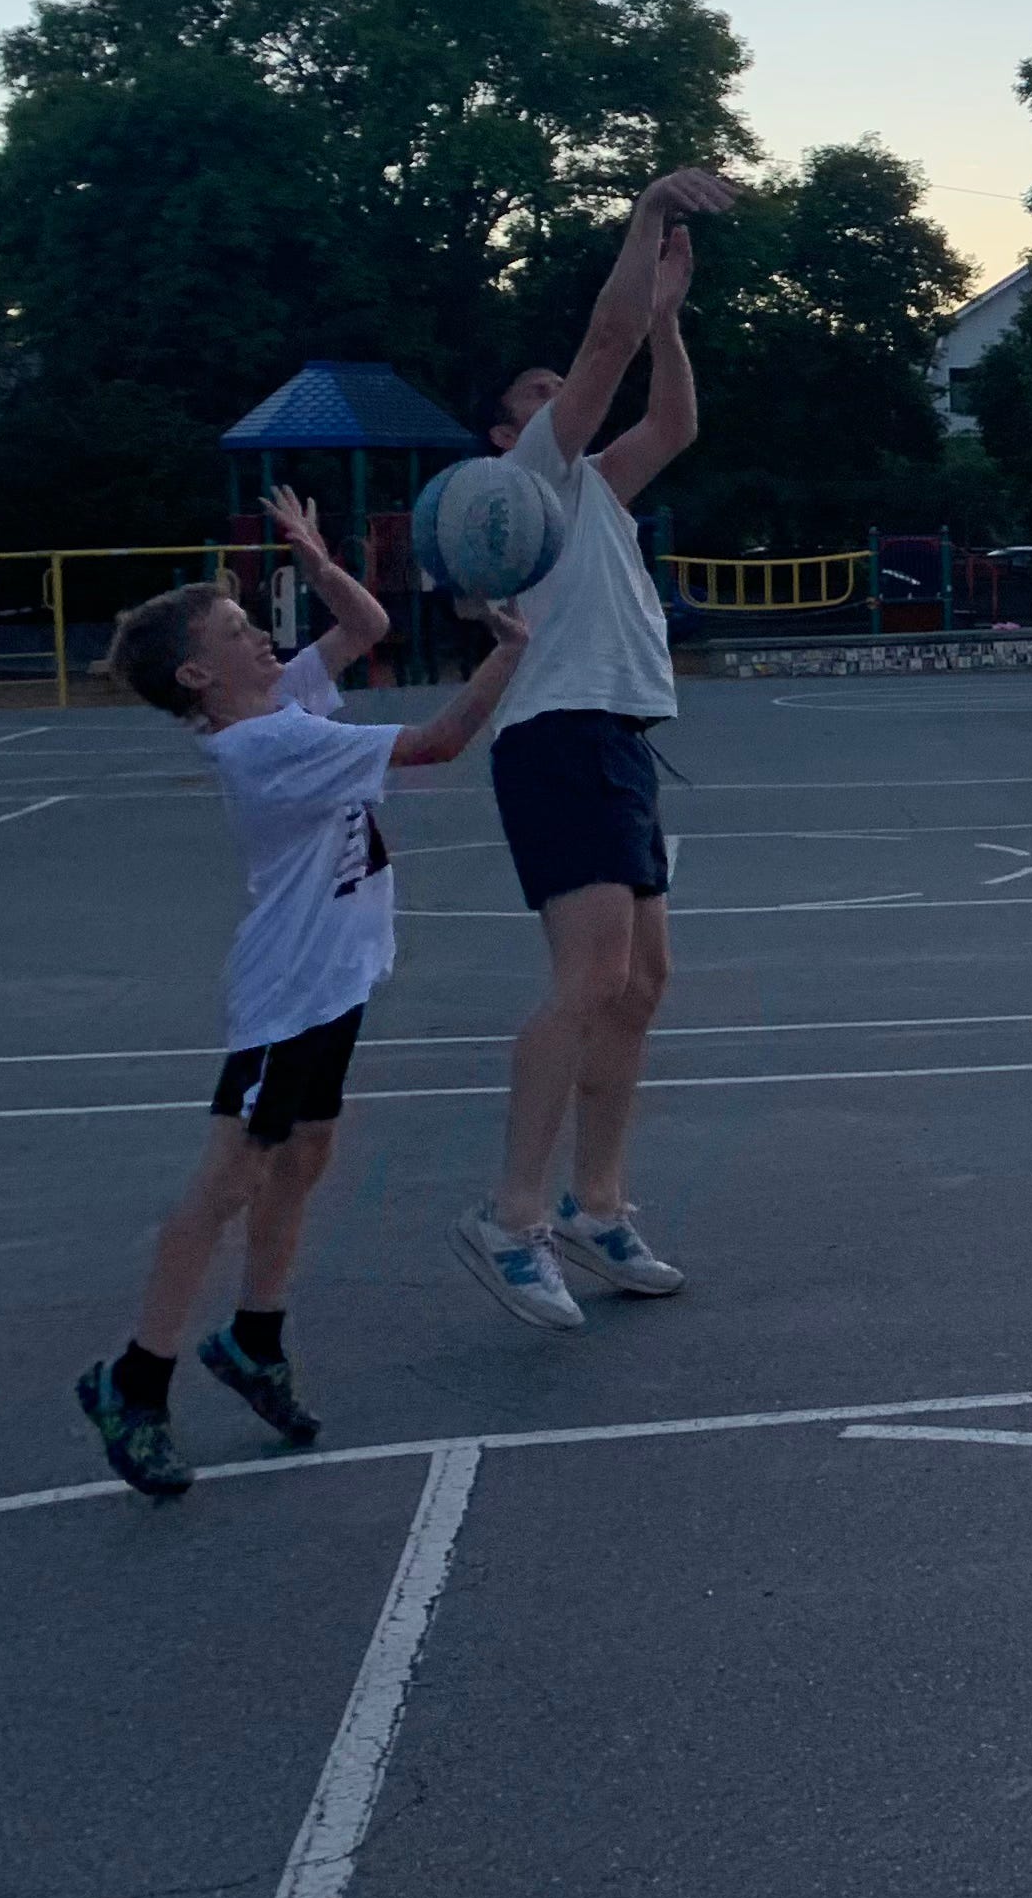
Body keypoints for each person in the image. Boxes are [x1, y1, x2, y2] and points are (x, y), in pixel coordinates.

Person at [76, 491, 528, 1498]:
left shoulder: (283, 701)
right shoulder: (264, 745)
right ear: (199, 675)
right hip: (286, 994)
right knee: (230, 1179)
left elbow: (365, 627)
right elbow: (441, 741)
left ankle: (255, 1339)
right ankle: (134, 1382)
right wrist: (511, 651)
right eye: (238, 630)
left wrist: (320, 561)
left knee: (307, 1155)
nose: (261, 635)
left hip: (334, 982)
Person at [455, 164, 734, 1329]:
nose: (564, 393)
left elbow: (673, 421)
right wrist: (647, 214)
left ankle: (596, 1206)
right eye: (542, 390)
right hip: (557, 734)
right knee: (589, 980)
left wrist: (670, 320)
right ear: (509, 428)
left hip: (613, 735)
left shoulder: (597, 491)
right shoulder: (526, 477)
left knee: (641, 984)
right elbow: (604, 344)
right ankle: (510, 1216)